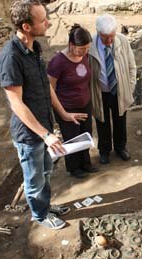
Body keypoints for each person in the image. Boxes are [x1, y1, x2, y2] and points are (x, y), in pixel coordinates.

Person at [0, 0, 87, 229]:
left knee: (46, 172)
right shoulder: (10, 57)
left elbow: (45, 86)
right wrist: (45, 135)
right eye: (43, 20)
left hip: (44, 127)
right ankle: (40, 215)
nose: (48, 23)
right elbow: (16, 103)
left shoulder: (34, 48)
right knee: (35, 180)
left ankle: (45, 206)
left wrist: (64, 114)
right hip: (29, 135)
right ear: (27, 27)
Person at [47, 25, 99, 179]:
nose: (84, 52)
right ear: (71, 45)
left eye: (87, 48)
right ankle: (74, 167)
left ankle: (86, 162)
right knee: (71, 138)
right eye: (81, 49)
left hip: (85, 104)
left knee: (86, 134)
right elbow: (50, 88)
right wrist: (62, 113)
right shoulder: (58, 62)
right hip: (67, 107)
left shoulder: (85, 56)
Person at [88, 14, 137, 164]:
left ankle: (120, 147)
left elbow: (131, 65)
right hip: (99, 91)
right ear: (98, 32)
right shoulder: (90, 44)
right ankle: (104, 150)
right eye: (105, 38)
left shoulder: (122, 40)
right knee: (102, 121)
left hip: (119, 89)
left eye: (112, 37)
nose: (109, 41)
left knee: (120, 119)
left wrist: (130, 85)